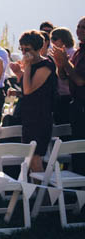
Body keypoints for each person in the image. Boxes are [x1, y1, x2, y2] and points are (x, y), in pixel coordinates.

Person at [10, 31, 55, 172]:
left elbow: (29, 90)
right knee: (29, 157)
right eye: (21, 49)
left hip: (40, 117)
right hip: (28, 115)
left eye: (27, 49)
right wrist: (18, 73)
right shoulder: (32, 65)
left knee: (35, 157)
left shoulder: (46, 65)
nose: (24, 53)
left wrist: (27, 66)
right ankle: (35, 191)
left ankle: (42, 193)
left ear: (37, 48)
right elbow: (26, 91)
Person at [51, 16, 85, 174]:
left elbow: (79, 81)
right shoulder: (78, 52)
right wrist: (60, 64)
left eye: (83, 27)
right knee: (76, 148)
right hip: (76, 105)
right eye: (78, 27)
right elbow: (64, 76)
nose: (79, 30)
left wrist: (65, 62)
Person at [50, 27, 76, 124]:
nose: (52, 41)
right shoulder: (55, 53)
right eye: (51, 39)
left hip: (69, 94)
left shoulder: (72, 53)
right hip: (59, 94)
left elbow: (66, 75)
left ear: (64, 39)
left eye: (55, 38)